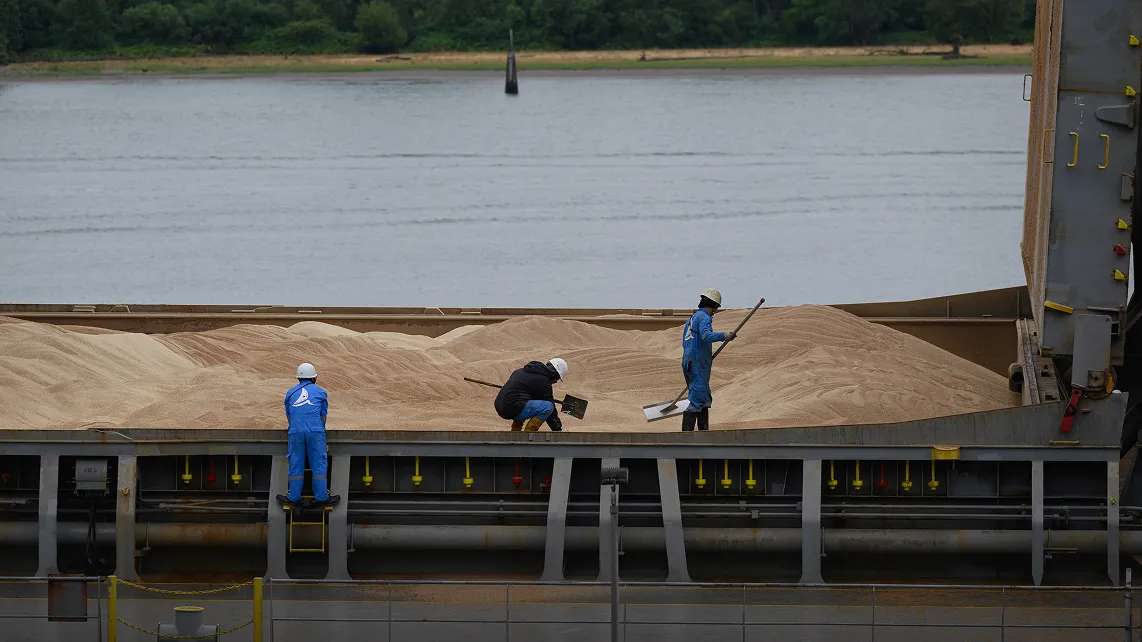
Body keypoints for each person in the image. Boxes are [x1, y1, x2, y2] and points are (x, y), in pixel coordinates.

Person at [276, 363, 340, 507]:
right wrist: (318, 430)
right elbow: (323, 415)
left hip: (295, 432)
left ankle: (293, 498)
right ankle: (321, 498)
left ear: (298, 378)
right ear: (314, 378)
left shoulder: (290, 393)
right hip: (315, 431)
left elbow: (289, 416)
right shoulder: (321, 392)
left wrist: (296, 429)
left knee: (296, 463)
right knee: (319, 464)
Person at [681, 288, 735, 431]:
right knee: (697, 399)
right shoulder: (704, 318)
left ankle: (703, 434)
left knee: (703, 397)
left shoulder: (691, 318)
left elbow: (684, 342)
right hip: (697, 362)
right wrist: (723, 335)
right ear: (714, 306)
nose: (714, 313)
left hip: (689, 360)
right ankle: (686, 441)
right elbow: (706, 336)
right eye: (715, 309)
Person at [494, 358, 569, 432]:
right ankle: (529, 434)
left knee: (524, 402)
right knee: (548, 406)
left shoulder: (520, 371)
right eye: (557, 378)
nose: (555, 381)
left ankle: (515, 432)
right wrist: (557, 429)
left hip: (500, 406)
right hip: (512, 408)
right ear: (553, 374)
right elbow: (551, 410)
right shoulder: (543, 381)